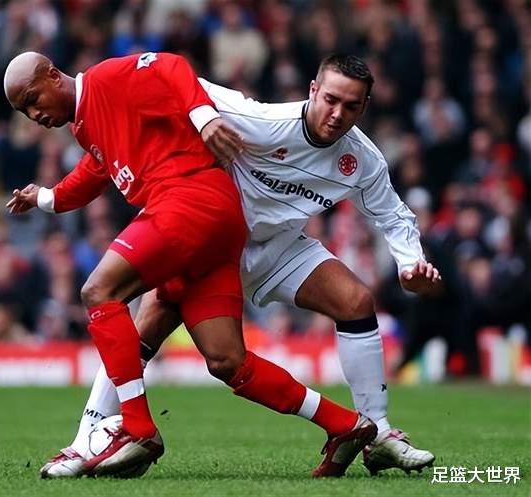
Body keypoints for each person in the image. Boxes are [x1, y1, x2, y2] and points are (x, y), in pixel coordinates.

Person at [33, 54, 443, 479]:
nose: (338, 114)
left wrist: (410, 263)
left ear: (365, 107)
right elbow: (182, 83)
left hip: (279, 249)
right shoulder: (260, 120)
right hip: (208, 235)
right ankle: (87, 437)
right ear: (313, 91)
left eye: (351, 106)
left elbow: (394, 216)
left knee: (356, 301)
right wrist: (202, 118)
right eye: (331, 100)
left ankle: (377, 432)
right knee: (146, 328)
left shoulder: (363, 159)